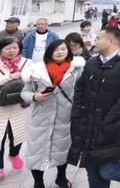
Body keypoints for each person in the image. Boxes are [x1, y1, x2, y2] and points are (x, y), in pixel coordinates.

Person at [68, 26, 120, 188]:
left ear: (110, 41)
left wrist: (110, 118)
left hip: (110, 129)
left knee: (107, 169)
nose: (95, 41)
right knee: (92, 171)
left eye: (98, 38)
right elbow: (80, 88)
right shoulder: (93, 63)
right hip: (88, 126)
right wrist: (76, 113)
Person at [21, 39, 85, 188]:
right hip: (41, 117)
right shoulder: (36, 70)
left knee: (61, 150)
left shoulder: (76, 69)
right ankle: (38, 182)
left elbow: (82, 91)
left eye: (63, 49)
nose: (60, 52)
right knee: (36, 152)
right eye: (56, 50)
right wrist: (34, 97)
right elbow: (24, 93)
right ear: (49, 52)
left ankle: (61, 178)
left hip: (65, 116)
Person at [0, 37, 32, 178]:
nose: (11, 51)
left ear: (19, 48)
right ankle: (0, 166)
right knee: (0, 136)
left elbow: (32, 81)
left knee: (18, 133)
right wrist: (10, 77)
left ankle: (14, 154)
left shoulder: (27, 62)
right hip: (1, 106)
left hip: (20, 104)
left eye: (14, 47)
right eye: (7, 48)